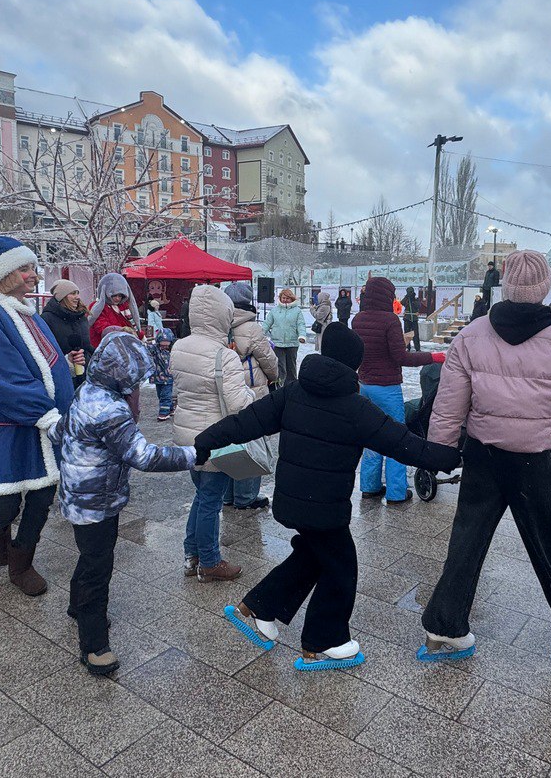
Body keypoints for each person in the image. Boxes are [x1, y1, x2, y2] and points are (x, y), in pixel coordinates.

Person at [196, 323, 460, 671]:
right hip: (324, 510)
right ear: (353, 365)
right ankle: (324, 642)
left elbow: (246, 421)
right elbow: (403, 444)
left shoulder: (292, 392)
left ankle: (260, 608)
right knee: (341, 566)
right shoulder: (356, 408)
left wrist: (205, 440)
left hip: (291, 501)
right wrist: (451, 457)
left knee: (314, 554)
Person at [420, 250, 551, 661]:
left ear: (505, 286)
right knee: (550, 543)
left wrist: (439, 452)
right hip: (534, 460)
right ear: (544, 289)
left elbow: (449, 404)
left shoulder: (471, 336)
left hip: (483, 456)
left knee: (466, 542)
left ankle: (445, 629)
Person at [56, 332, 196, 675]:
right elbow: (144, 456)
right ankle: (94, 645)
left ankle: (77, 606)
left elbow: (58, 433)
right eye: (135, 377)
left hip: (79, 494)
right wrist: (194, 454)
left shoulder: (88, 391)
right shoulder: (110, 410)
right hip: (96, 500)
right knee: (97, 569)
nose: (137, 385)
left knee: (90, 556)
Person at [0, 235, 78, 596]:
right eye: (25, 268)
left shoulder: (25, 312)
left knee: (41, 499)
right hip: (11, 429)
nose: (33, 275)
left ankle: (21, 563)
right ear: (3, 273)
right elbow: (3, 378)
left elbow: (40, 365)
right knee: (6, 500)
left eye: (32, 268)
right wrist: (47, 415)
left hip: (43, 426)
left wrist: (66, 370)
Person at [171, 284, 255, 581]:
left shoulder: (179, 346)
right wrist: (252, 396)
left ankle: (191, 554)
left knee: (201, 495)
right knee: (210, 500)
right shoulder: (224, 356)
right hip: (215, 439)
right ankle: (209, 561)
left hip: (186, 437)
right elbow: (237, 404)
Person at [352, 276, 443, 503]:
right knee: (396, 439)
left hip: (365, 386)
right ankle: (396, 492)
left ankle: (370, 486)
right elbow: (400, 357)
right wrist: (432, 357)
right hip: (387, 388)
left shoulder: (358, 319)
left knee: (371, 436)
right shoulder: (390, 321)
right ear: (386, 295)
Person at [223, 281, 279, 510]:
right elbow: (269, 361)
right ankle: (245, 496)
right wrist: (274, 378)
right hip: (252, 391)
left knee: (227, 440)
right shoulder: (252, 328)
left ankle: (227, 495)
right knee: (251, 441)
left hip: (226, 388)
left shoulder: (218, 324)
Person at [41, 279, 94, 389]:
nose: (77, 297)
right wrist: (68, 361)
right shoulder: (47, 319)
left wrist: (87, 360)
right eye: (73, 293)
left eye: (77, 293)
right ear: (62, 297)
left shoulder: (81, 317)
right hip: (61, 380)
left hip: (85, 377)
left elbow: (87, 347)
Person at [263, 288, 305, 386]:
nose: (285, 300)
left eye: (287, 298)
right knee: (280, 366)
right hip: (277, 343)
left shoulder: (297, 311)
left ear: (292, 299)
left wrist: (302, 335)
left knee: (291, 366)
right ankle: (280, 386)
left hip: (292, 343)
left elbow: (301, 324)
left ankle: (292, 386)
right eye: (283, 298)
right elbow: (267, 323)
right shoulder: (275, 310)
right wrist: (260, 333)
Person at [89, 273, 143, 348]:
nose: (117, 298)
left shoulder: (123, 306)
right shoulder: (97, 307)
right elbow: (102, 328)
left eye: (120, 295)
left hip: (124, 346)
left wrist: (141, 335)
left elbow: (132, 324)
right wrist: (123, 331)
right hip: (105, 348)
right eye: (114, 295)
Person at [150, 328, 176, 421]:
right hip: (157, 377)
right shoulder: (155, 349)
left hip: (168, 377)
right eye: (162, 344)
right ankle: (171, 407)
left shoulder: (173, 350)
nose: (164, 347)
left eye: (166, 344)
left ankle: (163, 413)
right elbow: (147, 348)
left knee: (165, 395)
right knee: (160, 395)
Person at [401, 286, 421, 352]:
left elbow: (418, 306)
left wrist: (413, 300)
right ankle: (407, 347)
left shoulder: (416, 299)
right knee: (407, 333)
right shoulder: (406, 299)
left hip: (414, 319)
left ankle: (417, 348)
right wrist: (407, 297)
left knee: (415, 334)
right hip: (407, 318)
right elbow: (402, 302)